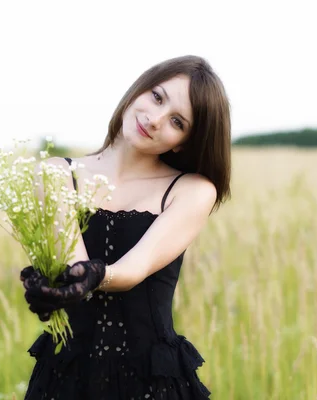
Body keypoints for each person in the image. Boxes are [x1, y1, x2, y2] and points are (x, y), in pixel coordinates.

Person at [20, 55, 231, 399]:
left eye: (177, 121)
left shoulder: (192, 190)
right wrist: (51, 288)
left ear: (183, 142)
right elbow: (73, 267)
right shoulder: (57, 173)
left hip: (153, 383)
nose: (156, 118)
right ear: (138, 91)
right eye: (157, 97)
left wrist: (93, 276)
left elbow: (134, 269)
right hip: (66, 378)